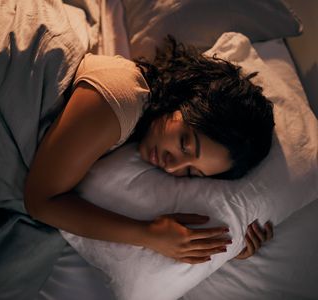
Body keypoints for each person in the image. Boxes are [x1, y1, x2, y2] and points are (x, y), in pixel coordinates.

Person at [24, 36, 274, 264]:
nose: (172, 165)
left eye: (190, 172)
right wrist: (147, 234)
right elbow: (40, 203)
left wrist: (231, 247)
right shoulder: (121, 99)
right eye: (185, 143)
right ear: (184, 99)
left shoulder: (139, 123)